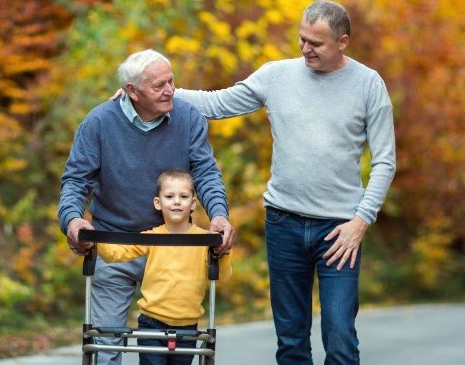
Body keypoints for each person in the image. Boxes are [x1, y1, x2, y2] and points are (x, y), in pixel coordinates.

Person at [164, 1, 395, 363]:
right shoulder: (277, 75)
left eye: (316, 43)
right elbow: (217, 103)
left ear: (343, 41)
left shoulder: (368, 84)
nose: (305, 49)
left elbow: (385, 161)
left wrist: (361, 221)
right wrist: (159, 93)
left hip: (340, 231)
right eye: (302, 39)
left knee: (340, 338)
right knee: (290, 341)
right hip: (283, 223)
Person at [58, 49, 234, 365]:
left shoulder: (188, 117)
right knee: (106, 344)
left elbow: (205, 172)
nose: (170, 90)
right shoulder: (99, 122)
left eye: (171, 81)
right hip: (116, 243)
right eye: (159, 86)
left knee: (177, 349)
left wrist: (219, 214)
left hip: (173, 247)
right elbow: (75, 181)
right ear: (132, 92)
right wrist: (72, 220)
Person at [95, 169, 232, 365]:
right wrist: (94, 240)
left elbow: (223, 276)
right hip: (152, 322)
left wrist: (223, 252)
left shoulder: (204, 240)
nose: (177, 201)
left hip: (187, 325)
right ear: (158, 203)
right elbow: (117, 253)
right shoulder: (152, 236)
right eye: (170, 196)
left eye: (183, 196)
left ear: (193, 203)